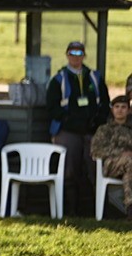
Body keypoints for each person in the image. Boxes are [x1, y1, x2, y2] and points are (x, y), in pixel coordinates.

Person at [46, 41, 110, 214]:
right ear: (67, 55)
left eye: (79, 53)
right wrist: (68, 120)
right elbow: (52, 107)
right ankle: (71, 210)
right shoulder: (59, 79)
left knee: (94, 169)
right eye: (72, 53)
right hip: (68, 131)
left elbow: (105, 103)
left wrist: (97, 121)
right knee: (69, 170)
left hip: (91, 131)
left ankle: (94, 210)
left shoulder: (95, 77)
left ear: (84, 55)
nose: (76, 57)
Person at [90, 95, 132, 218]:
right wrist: (120, 153)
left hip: (129, 165)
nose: (120, 110)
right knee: (129, 161)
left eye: (123, 107)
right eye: (117, 107)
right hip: (111, 165)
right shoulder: (105, 129)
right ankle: (130, 207)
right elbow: (96, 150)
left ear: (129, 110)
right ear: (112, 110)